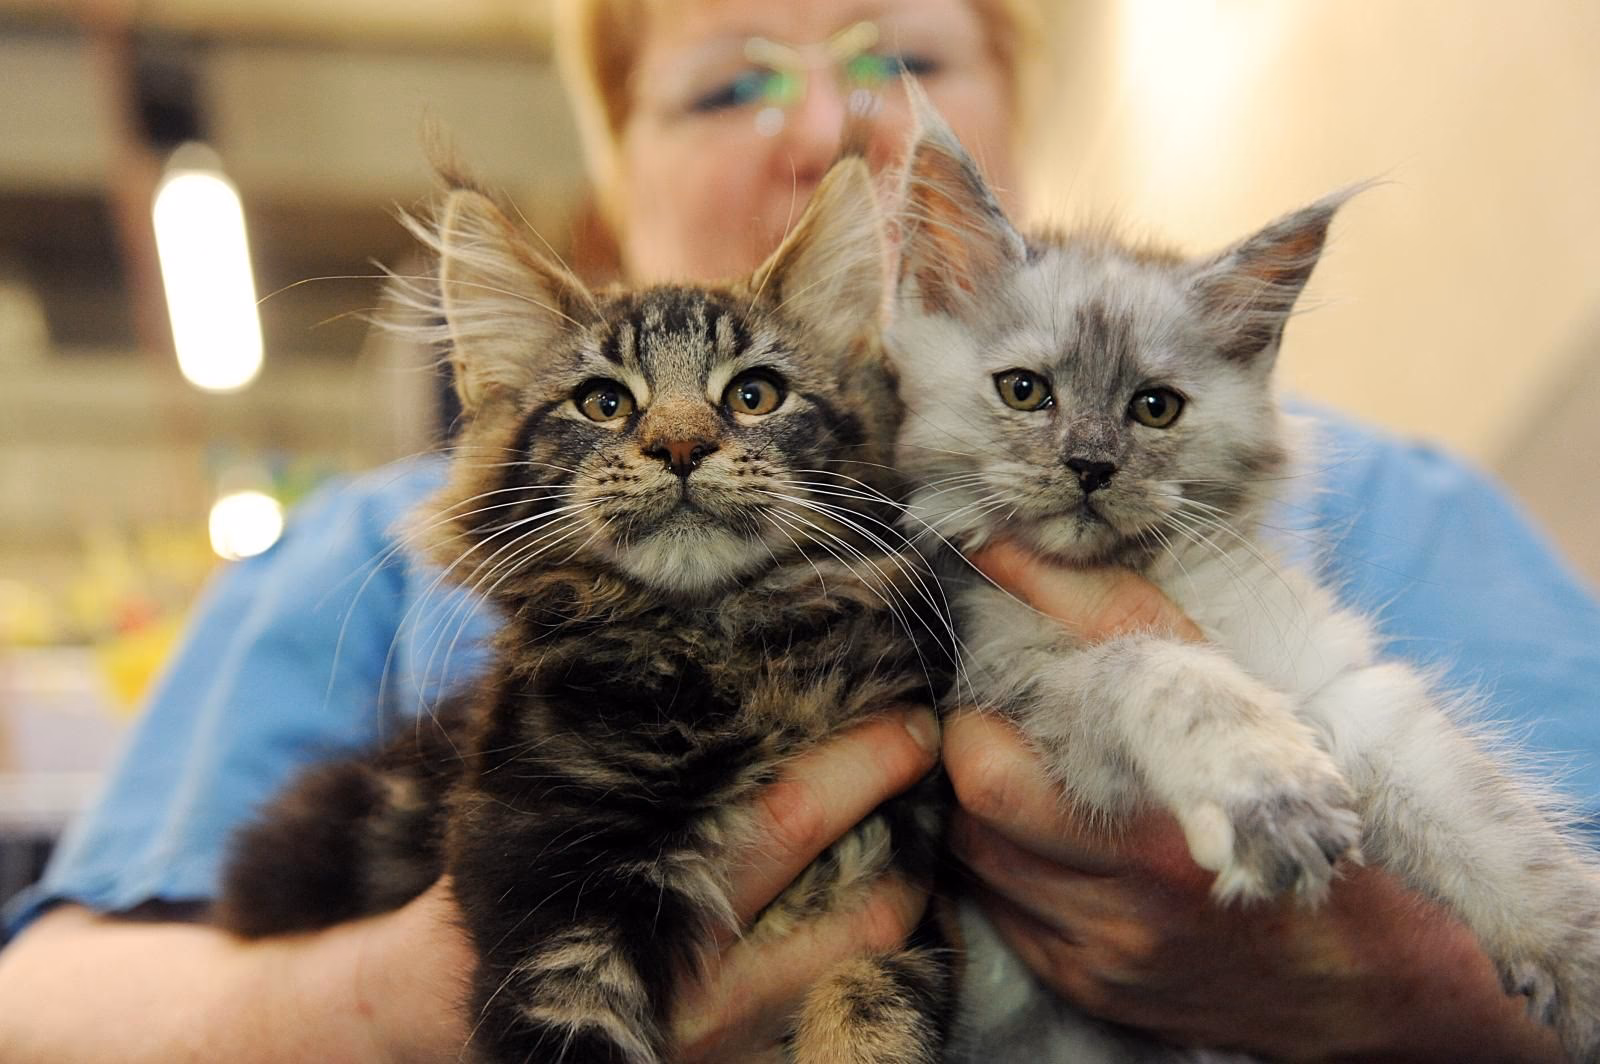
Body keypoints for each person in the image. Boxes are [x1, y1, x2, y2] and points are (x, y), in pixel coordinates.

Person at [2, 0, 1597, 1059]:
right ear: (614, 163)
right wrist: (408, 1003)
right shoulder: (354, 558)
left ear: (1008, 112)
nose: (823, 121)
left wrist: (1408, 983)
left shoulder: (1384, 503)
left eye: (901, 57)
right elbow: (41, 1010)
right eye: (731, 82)